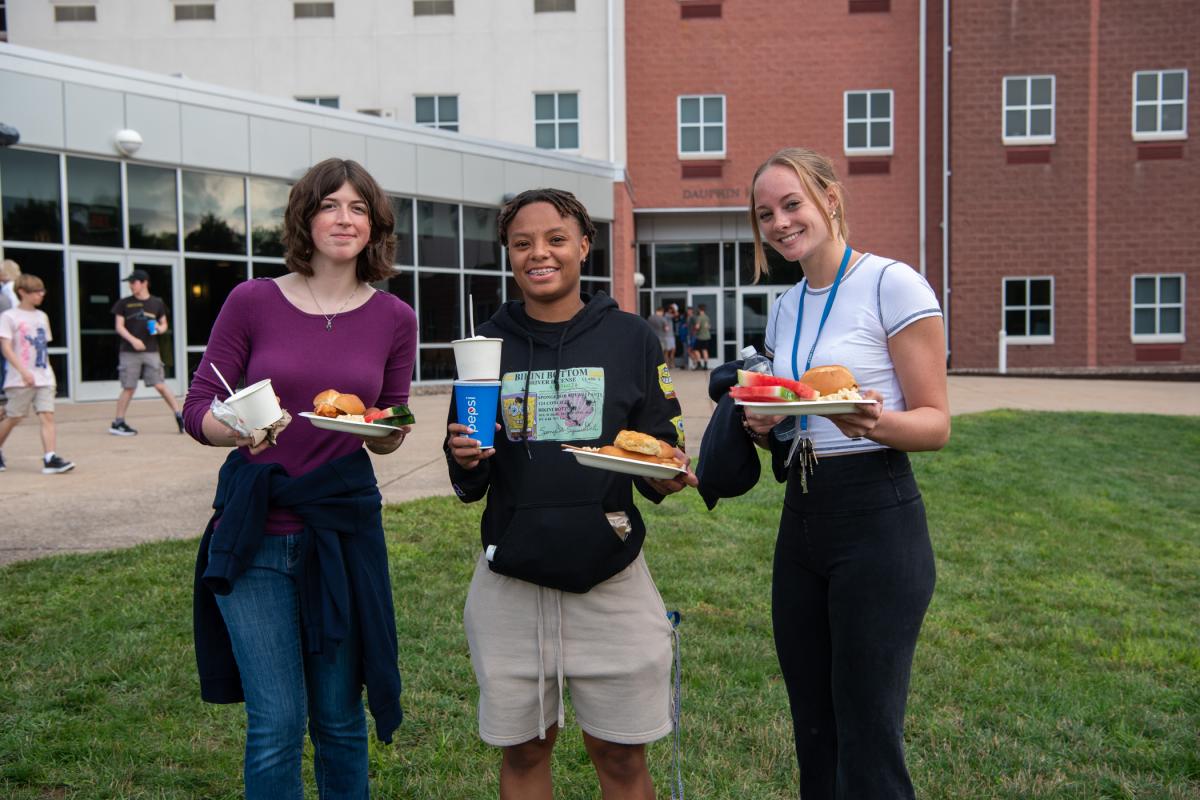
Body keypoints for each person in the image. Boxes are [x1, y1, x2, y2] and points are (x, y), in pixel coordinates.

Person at [445, 188, 698, 800]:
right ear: (508, 254)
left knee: (619, 755)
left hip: (610, 575)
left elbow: (662, 445)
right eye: (522, 243)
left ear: (584, 246)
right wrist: (464, 457)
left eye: (556, 239)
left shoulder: (631, 338)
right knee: (526, 751)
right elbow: (468, 479)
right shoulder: (487, 344)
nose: (540, 253)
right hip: (511, 581)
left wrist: (667, 472)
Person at [183, 158, 418, 799]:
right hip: (256, 531)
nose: (344, 219)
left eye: (359, 208)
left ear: (374, 225)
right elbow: (198, 405)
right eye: (330, 205)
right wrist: (232, 429)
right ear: (304, 217)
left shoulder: (395, 317)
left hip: (341, 533)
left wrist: (389, 433)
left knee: (341, 722)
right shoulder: (252, 300)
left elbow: (389, 418)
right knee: (278, 723)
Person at [741, 147, 949, 799]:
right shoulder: (784, 307)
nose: (779, 223)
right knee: (814, 729)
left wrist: (873, 423)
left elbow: (936, 423)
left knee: (866, 732)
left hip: (876, 518)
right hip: (802, 519)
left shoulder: (893, 283)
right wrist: (765, 422)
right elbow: (795, 409)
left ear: (830, 197)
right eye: (765, 214)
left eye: (791, 203)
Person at [0, 273, 75, 474]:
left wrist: (47, 373)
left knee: (47, 415)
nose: (40, 295)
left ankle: (50, 457)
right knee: (14, 417)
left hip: (43, 376)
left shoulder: (42, 317)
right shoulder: (9, 317)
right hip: (19, 378)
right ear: (22, 292)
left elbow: (42, 347)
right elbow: (6, 348)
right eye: (35, 291)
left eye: (42, 291)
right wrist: (23, 371)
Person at [110, 269, 184, 435]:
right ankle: (118, 422)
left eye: (133, 282)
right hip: (129, 351)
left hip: (151, 350)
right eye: (129, 282)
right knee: (129, 387)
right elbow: (119, 326)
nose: (131, 285)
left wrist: (159, 328)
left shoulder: (157, 303)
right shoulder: (124, 303)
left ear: (144, 283)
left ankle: (179, 415)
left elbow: (164, 324)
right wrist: (134, 340)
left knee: (160, 384)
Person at [0, 258, 20, 419]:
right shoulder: (12, 288)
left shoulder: (8, 289)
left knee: (6, 368)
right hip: (10, 333)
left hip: (9, 334)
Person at [691, 303, 712, 370]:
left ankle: (699, 363)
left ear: (699, 309)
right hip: (707, 336)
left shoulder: (699, 317)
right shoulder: (707, 317)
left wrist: (694, 328)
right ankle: (705, 365)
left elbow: (697, 327)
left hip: (700, 336)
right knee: (704, 350)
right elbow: (709, 326)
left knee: (695, 349)